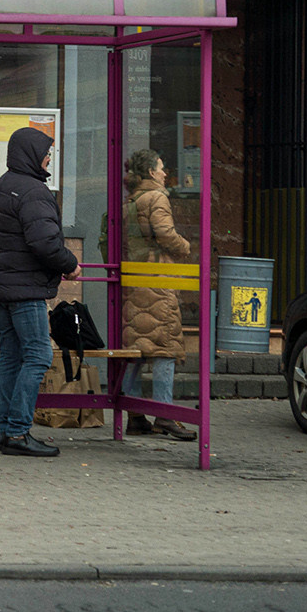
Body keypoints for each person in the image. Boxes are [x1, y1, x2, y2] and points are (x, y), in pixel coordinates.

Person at [0, 127, 78, 458]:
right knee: (38, 356)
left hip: (4, 286)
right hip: (26, 289)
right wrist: (70, 264)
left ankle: (4, 431)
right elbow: (45, 242)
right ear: (31, 153)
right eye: (46, 151)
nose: (49, 157)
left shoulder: (5, 184)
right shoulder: (34, 192)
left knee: (12, 357)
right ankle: (18, 433)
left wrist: (8, 250)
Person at [119, 149, 197, 442]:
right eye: (162, 168)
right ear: (151, 172)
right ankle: (165, 414)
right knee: (165, 348)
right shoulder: (157, 197)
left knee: (137, 349)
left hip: (136, 281)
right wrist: (185, 247)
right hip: (158, 281)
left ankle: (135, 415)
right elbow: (165, 234)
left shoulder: (132, 199)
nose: (165, 173)